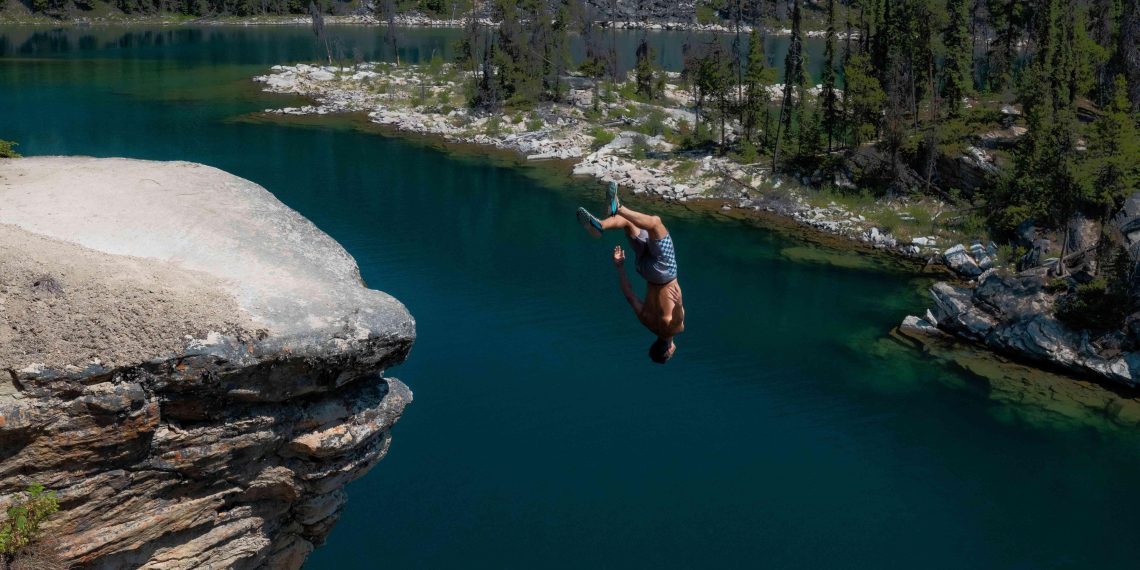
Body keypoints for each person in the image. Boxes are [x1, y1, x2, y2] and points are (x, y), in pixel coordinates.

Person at [577, 182, 684, 363]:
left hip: (665, 273)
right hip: (645, 270)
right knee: (629, 223)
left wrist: (679, 303)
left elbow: (677, 320)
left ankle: (616, 209)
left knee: (655, 223)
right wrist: (620, 267)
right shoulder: (646, 321)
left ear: (669, 351)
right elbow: (629, 295)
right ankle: (600, 225)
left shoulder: (673, 330)